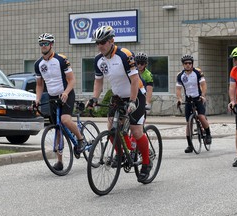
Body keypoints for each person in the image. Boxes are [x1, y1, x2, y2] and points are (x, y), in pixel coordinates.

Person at [86, 26, 151, 182]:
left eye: (102, 42)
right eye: (97, 43)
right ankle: (123, 153)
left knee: (136, 131)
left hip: (136, 95)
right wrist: (94, 98)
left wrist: (133, 101)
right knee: (112, 129)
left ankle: (146, 163)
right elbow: (98, 82)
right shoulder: (98, 60)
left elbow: (135, 80)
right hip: (118, 96)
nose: (100, 45)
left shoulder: (125, 55)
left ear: (111, 41)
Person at [35, 33, 86, 171]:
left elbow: (72, 80)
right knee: (57, 128)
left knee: (65, 120)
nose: (43, 46)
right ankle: (59, 162)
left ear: (51, 45)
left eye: (45, 43)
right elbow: (39, 85)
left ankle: (80, 139)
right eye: (41, 43)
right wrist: (37, 99)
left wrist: (65, 92)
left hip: (66, 94)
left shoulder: (61, 60)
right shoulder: (38, 64)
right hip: (52, 97)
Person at [176, 54, 212, 153]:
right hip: (188, 99)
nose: (188, 65)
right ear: (183, 64)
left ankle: (208, 134)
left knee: (201, 116)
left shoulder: (198, 72)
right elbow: (178, 89)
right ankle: (190, 145)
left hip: (198, 98)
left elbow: (203, 85)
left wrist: (203, 95)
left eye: (190, 63)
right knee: (189, 123)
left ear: (192, 64)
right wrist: (179, 99)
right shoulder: (180, 75)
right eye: (186, 63)